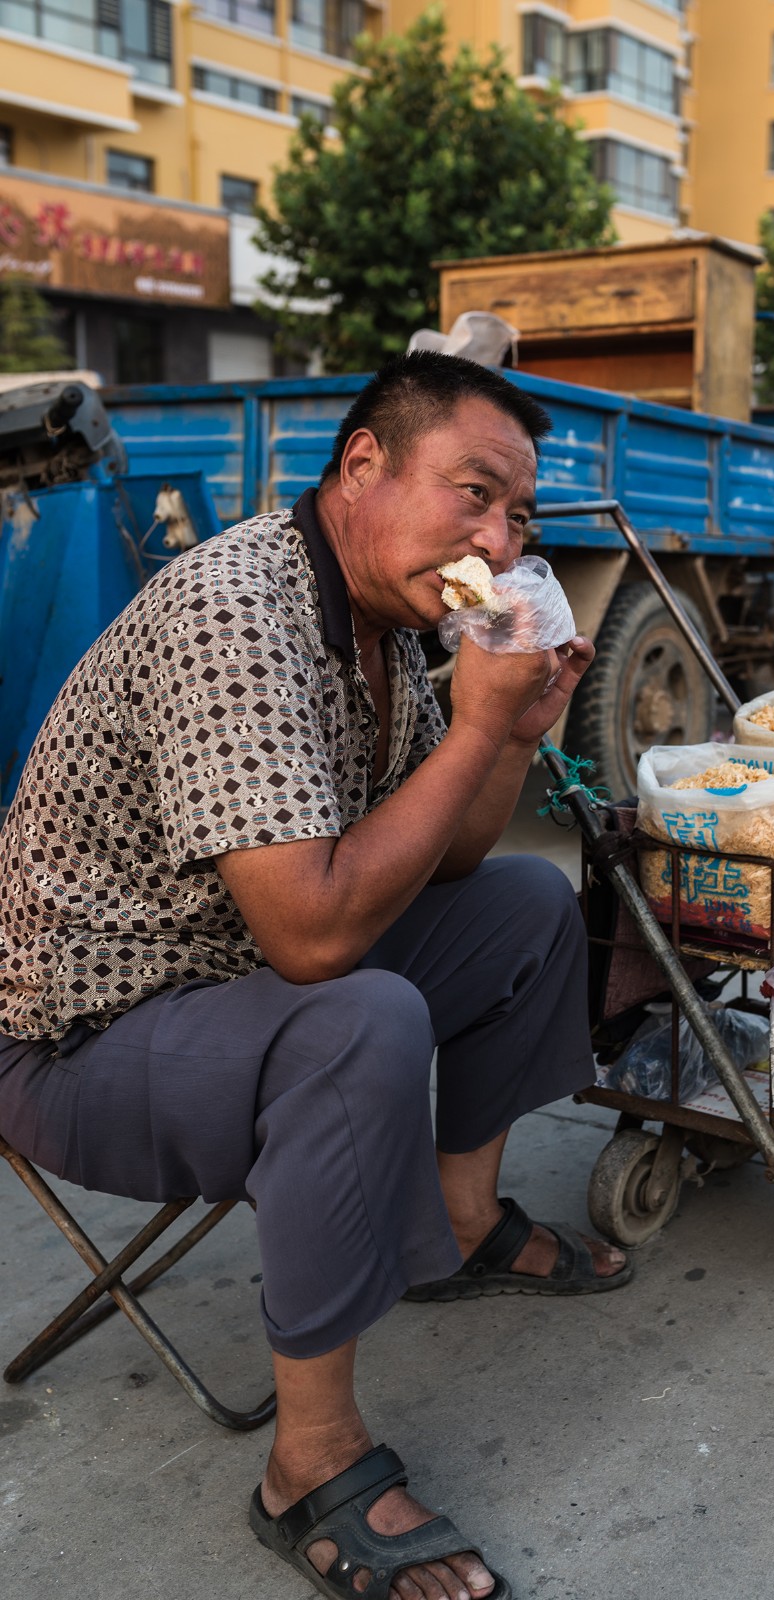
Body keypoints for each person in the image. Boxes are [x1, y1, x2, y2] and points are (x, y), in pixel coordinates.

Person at [0, 352, 632, 1600]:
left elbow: (446, 858)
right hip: (81, 1026)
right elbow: (312, 941)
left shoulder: (398, 624)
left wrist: (505, 734)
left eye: (518, 517)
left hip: (230, 966)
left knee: (521, 903)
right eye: (472, 494)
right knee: (356, 1017)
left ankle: (460, 1226)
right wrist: (471, 724)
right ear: (363, 468)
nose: (499, 544)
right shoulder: (238, 613)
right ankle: (312, 1461)